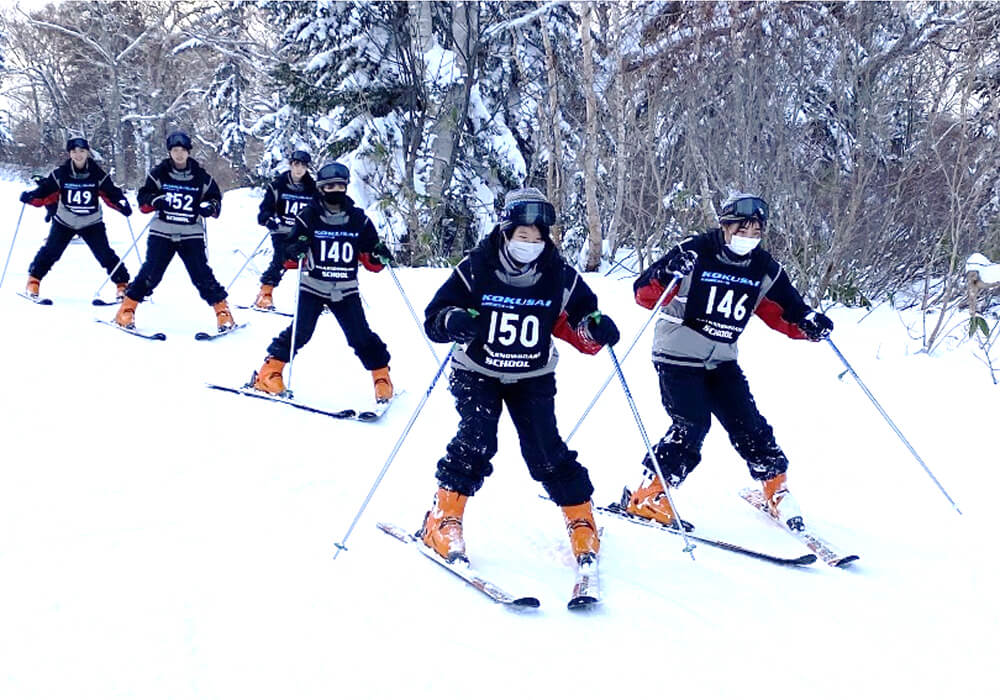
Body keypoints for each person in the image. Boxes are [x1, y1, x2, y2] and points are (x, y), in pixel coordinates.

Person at [419, 187, 621, 566]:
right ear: (507, 233)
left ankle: (581, 518)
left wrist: (596, 329)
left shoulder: (557, 274)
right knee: (477, 439)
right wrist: (453, 320)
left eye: (538, 238)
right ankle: (442, 517)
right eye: (522, 236)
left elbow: (580, 318)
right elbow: (435, 316)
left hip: (533, 374)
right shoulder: (476, 267)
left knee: (545, 449)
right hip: (477, 370)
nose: (530, 244)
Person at [624, 192, 834, 530]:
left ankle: (774, 488)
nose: (748, 238)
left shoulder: (762, 267)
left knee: (749, 422)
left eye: (756, 232)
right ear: (725, 226)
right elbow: (643, 293)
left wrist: (809, 323)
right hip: (677, 354)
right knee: (692, 424)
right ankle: (649, 493)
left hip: (721, 358)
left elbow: (784, 309)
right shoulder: (695, 252)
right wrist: (667, 273)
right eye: (742, 229)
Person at [250, 162, 396, 402]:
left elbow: (371, 261)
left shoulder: (359, 220)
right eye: (329, 186)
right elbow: (287, 257)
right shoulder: (308, 217)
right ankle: (269, 372)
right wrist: (294, 249)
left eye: (340, 185)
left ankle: (381, 376)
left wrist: (379, 255)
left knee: (360, 336)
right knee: (301, 332)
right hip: (313, 286)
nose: (335, 190)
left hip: (346, 289)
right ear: (320, 188)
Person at [113, 131, 233, 331]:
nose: (179, 154)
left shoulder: (200, 176)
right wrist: (154, 200)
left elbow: (215, 199)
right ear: (170, 152)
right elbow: (143, 200)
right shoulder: (159, 173)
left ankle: (222, 311)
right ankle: (127, 309)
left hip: (191, 232)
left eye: (182, 150)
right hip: (162, 231)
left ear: (188, 152)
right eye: (175, 150)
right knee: (151, 273)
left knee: (202, 275)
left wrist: (209, 207)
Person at [19, 137, 132, 300]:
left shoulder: (98, 174)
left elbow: (111, 193)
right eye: (74, 152)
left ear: (87, 152)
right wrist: (31, 197)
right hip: (65, 221)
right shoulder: (60, 174)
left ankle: (122, 285)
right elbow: (45, 192)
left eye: (82, 151)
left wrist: (121, 204)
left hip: (91, 222)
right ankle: (33, 281)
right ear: (69, 154)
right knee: (50, 252)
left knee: (105, 255)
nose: (78, 155)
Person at [253, 150, 318, 309]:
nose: (299, 169)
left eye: (303, 166)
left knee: (317, 258)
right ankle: (265, 293)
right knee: (282, 256)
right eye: (296, 164)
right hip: (282, 230)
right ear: (290, 165)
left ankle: (316, 298)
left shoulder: (313, 189)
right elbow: (265, 210)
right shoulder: (277, 186)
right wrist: (268, 219)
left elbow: (319, 210)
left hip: (303, 232)